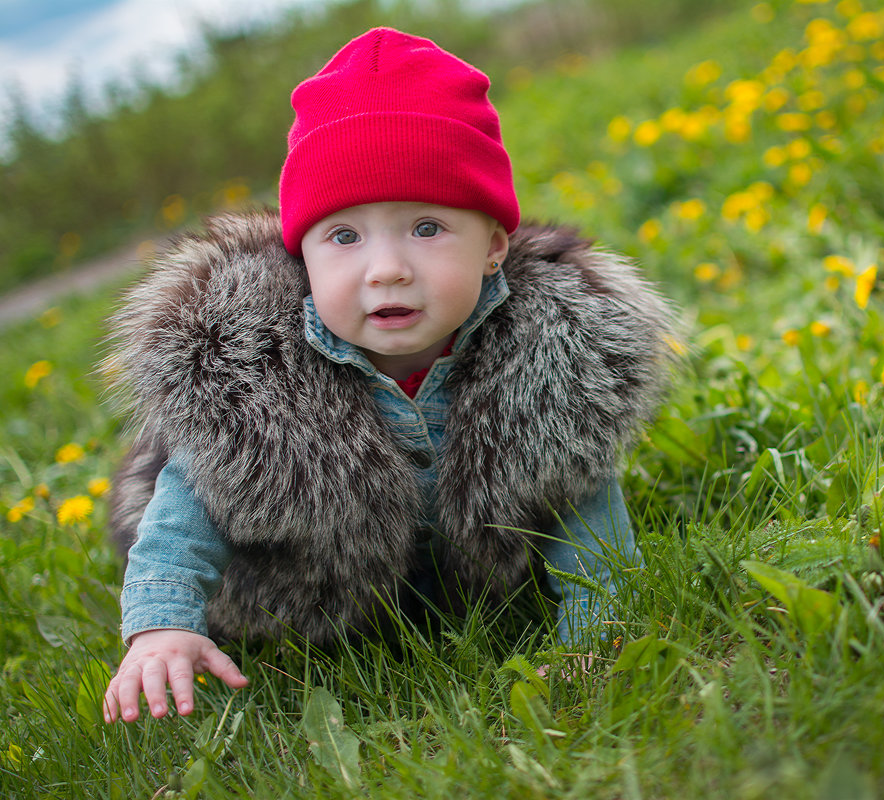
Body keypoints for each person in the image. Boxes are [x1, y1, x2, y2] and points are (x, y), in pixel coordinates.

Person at [101, 27, 674, 724]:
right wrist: (161, 622)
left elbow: (584, 504)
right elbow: (186, 513)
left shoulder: (551, 360)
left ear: (493, 245)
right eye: (344, 237)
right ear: (301, 259)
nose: (387, 268)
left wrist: (596, 625)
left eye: (427, 228)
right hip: (310, 605)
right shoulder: (254, 384)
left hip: (476, 586)